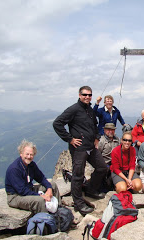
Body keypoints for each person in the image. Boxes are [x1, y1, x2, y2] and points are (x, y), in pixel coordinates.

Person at [53, 86, 107, 215]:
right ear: (79, 95)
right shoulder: (74, 109)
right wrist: (70, 139)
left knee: (102, 168)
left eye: (89, 95)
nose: (87, 97)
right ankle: (78, 204)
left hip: (90, 146)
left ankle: (90, 189)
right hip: (79, 148)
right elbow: (57, 123)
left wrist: (96, 138)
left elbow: (94, 124)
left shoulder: (89, 109)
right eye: (85, 95)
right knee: (78, 175)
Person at [5, 139, 61, 213]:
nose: (29, 157)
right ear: (21, 153)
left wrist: (49, 189)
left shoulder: (31, 165)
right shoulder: (14, 169)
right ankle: (47, 220)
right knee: (40, 200)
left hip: (29, 190)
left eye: (31, 154)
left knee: (52, 185)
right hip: (16, 196)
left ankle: (59, 211)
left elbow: (41, 178)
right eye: (27, 154)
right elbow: (22, 191)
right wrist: (41, 196)